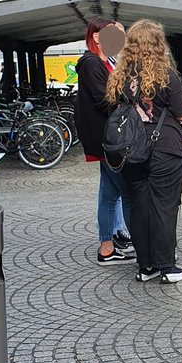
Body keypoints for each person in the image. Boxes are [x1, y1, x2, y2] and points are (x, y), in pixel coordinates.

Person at [106, 20, 182, 283]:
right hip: (165, 148)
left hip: (131, 150)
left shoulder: (119, 77)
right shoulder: (166, 75)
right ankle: (167, 266)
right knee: (165, 206)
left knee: (140, 206)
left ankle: (146, 266)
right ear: (157, 44)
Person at [73, 18, 135, 265]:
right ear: (97, 37)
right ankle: (141, 246)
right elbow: (104, 99)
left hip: (106, 138)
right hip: (106, 139)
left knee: (109, 194)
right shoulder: (92, 63)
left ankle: (107, 246)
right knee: (128, 193)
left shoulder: (103, 61)